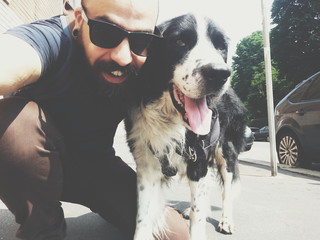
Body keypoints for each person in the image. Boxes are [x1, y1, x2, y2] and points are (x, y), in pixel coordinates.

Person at [0, 0, 190, 239]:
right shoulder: (51, 39)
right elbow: (10, 56)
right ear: (79, 19)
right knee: (8, 119)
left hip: (94, 168)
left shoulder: (145, 62)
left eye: (141, 40)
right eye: (106, 33)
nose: (123, 57)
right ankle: (44, 230)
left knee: (176, 234)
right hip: (32, 165)